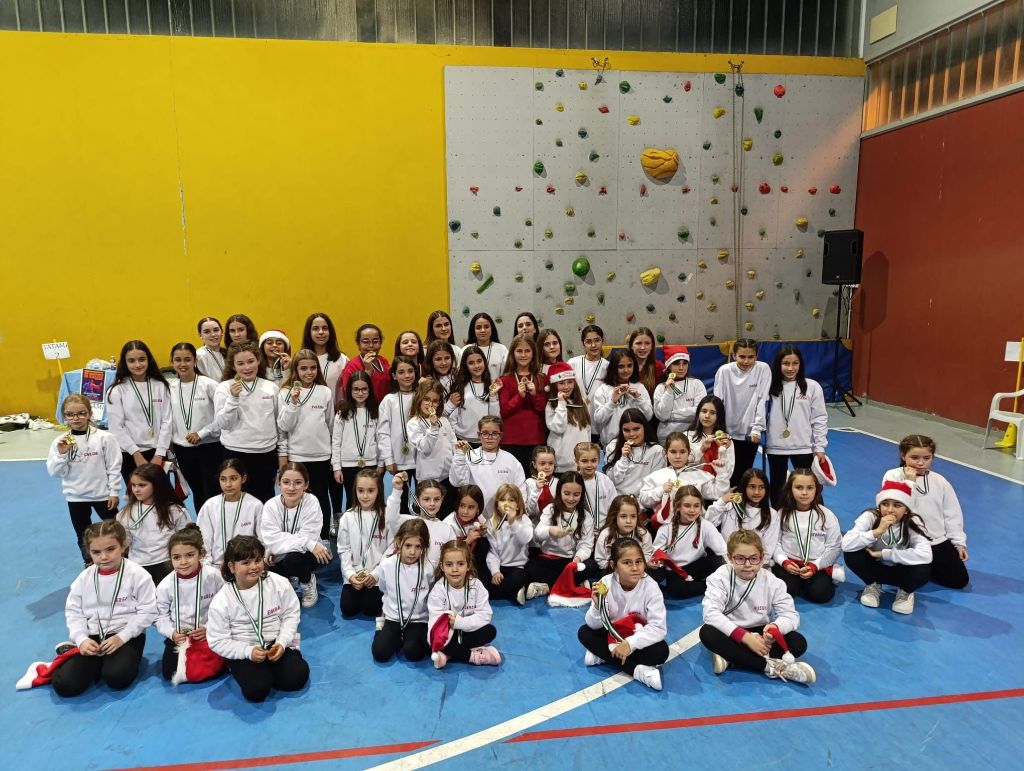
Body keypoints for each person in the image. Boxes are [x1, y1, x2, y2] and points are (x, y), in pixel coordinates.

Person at [50, 520, 157, 697]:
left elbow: (148, 611)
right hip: (92, 636)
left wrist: (122, 637)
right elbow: (74, 612)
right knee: (65, 685)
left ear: (123, 546)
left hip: (126, 635)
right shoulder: (83, 579)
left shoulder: (138, 575)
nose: (104, 557)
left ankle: (103, 663)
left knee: (118, 678)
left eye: (110, 549)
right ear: (88, 552)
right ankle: (75, 651)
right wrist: (81, 639)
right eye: (96, 552)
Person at [699, 529, 816, 684]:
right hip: (731, 632)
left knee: (798, 643)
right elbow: (710, 613)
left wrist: (775, 628)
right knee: (707, 633)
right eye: (740, 558)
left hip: (761, 633)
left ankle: (731, 659)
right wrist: (746, 637)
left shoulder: (773, 582)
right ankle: (772, 668)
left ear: (762, 559)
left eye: (754, 559)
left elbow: (791, 616)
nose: (747, 565)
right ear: (729, 558)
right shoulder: (719, 577)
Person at [206, 535, 309, 702]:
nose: (254, 567)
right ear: (231, 567)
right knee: (257, 691)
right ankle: (239, 667)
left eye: (257, 560)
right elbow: (217, 641)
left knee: (297, 678)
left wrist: (282, 643)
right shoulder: (221, 601)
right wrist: (247, 652)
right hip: (244, 649)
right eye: (246, 563)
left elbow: (290, 615)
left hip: (275, 644)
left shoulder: (279, 583)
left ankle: (275, 667)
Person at [578, 537, 669, 691]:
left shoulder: (651, 588)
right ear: (614, 565)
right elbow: (593, 625)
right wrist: (597, 606)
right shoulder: (605, 583)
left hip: (637, 634)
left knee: (661, 652)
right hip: (613, 633)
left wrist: (630, 644)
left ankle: (603, 655)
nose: (635, 568)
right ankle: (637, 671)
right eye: (627, 563)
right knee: (584, 633)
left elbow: (658, 628)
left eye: (639, 561)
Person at [882, 434, 969, 589]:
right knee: (910, 575)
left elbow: (952, 513)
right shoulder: (893, 476)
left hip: (935, 540)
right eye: (914, 457)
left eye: (927, 458)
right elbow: (896, 507)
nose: (921, 463)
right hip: (906, 540)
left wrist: (958, 543)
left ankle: (928, 564)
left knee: (959, 580)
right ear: (903, 456)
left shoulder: (940, 481)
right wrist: (909, 482)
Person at [48, 393, 121, 563]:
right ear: (64, 416)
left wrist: (114, 491)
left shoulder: (104, 438)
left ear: (89, 413)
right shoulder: (62, 441)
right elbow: (55, 472)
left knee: (117, 531)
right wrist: (62, 455)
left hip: (103, 495)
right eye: (70, 414)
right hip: (75, 497)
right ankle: (89, 565)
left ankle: (124, 560)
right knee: (82, 536)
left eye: (81, 413)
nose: (76, 418)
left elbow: (114, 466)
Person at [842, 481, 932, 614]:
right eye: (885, 504)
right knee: (851, 553)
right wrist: (877, 531)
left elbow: (926, 554)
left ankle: (905, 592)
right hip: (876, 568)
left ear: (906, 510)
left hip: (901, 570)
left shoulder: (913, 522)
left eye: (897, 505)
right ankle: (872, 585)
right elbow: (846, 543)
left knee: (924, 569)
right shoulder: (871, 516)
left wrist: (885, 554)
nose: (890, 510)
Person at [154, 524, 225, 681]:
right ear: (170, 558)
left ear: (200, 553)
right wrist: (172, 633)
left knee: (219, 668)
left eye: (190, 555)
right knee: (169, 673)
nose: (183, 562)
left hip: (210, 631)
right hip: (180, 635)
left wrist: (209, 628)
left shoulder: (214, 577)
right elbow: (160, 616)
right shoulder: (165, 585)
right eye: (177, 557)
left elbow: (225, 609)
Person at [277, 349, 334, 539]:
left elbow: (330, 424)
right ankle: (297, 537)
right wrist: (293, 402)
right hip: (297, 456)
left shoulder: (325, 392)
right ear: (295, 369)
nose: (309, 372)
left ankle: (323, 538)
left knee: (321, 498)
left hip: (321, 455)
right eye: (303, 368)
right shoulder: (285, 392)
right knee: (297, 498)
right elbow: (284, 426)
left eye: (313, 368)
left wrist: (334, 455)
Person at [214, 340, 280, 503]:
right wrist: (233, 398)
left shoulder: (271, 387)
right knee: (237, 500)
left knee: (265, 498)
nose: (247, 367)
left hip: (266, 453)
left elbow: (279, 422)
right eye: (241, 363)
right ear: (233, 366)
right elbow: (223, 424)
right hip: (235, 452)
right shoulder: (224, 388)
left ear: (258, 360)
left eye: (251, 361)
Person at [259, 462, 329, 608]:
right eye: (286, 482)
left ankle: (307, 581)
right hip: (280, 555)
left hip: (309, 554)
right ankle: (290, 578)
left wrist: (278, 546)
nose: (291, 488)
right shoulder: (270, 506)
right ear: (279, 483)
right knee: (267, 568)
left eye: (298, 482)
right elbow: (272, 539)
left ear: (306, 484)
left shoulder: (312, 502)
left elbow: (310, 536)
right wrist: (272, 547)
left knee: (293, 559)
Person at [765, 346, 828, 506]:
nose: (790, 368)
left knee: (808, 486)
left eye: (795, 363)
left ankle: (817, 515)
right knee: (777, 488)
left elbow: (819, 418)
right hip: (776, 447)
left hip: (803, 447)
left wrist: (820, 446)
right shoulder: (769, 387)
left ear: (801, 364)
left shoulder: (812, 386)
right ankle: (778, 516)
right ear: (778, 364)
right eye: (786, 363)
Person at [106, 339, 173, 488]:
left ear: (149, 360)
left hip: (158, 451)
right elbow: (116, 427)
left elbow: (167, 421)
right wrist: (136, 454)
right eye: (131, 361)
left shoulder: (160, 385)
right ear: (125, 363)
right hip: (130, 454)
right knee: (137, 496)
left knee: (161, 495)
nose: (137, 365)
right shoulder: (117, 390)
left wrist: (159, 453)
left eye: (142, 359)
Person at [771, 469, 842, 604]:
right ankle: (796, 584)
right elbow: (775, 543)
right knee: (786, 591)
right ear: (790, 489)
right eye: (799, 487)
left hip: (815, 565)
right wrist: (784, 562)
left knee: (821, 594)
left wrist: (815, 566)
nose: (804, 493)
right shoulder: (782, 514)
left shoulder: (827, 516)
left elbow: (834, 547)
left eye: (810, 488)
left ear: (816, 490)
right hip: (789, 564)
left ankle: (808, 583)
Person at [428, 540, 501, 669]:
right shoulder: (438, 590)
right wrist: (448, 626)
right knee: (431, 637)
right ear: (442, 566)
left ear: (468, 565)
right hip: (448, 636)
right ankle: (472, 656)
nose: (455, 569)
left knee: (490, 631)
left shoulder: (477, 586)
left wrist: (459, 623)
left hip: (468, 632)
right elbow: (435, 624)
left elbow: (485, 616)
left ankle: (449, 654)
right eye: (449, 564)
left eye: (460, 564)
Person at [368, 519, 433, 663]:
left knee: (414, 654)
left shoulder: (428, 569)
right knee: (380, 653)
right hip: (393, 617)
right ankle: (380, 626)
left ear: (424, 547)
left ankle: (405, 638)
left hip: (418, 619)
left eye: (418, 547)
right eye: (408, 545)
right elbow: (384, 589)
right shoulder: (387, 565)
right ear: (398, 542)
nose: (412, 552)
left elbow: (431, 594)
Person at [168, 343, 223, 513]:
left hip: (210, 447)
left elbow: (223, 417)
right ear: (171, 362)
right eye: (178, 360)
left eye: (187, 359)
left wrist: (202, 433)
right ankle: (202, 525)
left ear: (195, 361)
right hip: (183, 450)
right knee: (197, 491)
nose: (182, 364)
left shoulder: (209, 385)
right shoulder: (169, 388)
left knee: (213, 491)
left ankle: (218, 524)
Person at [117, 462, 190, 585]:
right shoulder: (125, 513)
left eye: (142, 485)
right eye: (133, 485)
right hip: (138, 564)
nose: (136, 489)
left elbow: (186, 537)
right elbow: (124, 541)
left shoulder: (175, 510)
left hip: (168, 562)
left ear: (157, 485)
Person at [525, 472, 594, 600]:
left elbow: (586, 544)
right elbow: (537, 534)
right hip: (548, 559)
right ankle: (572, 584)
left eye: (576, 494)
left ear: (582, 494)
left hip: (570, 561)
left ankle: (547, 586)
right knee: (530, 568)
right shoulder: (550, 509)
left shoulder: (586, 516)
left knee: (590, 566)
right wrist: (550, 530)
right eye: (566, 493)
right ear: (559, 491)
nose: (571, 498)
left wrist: (577, 559)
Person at [650, 485, 726, 598]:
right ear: (678, 507)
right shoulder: (665, 528)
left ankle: (710, 584)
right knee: (676, 589)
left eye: (696, 506)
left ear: (701, 507)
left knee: (719, 562)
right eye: (687, 506)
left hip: (696, 567)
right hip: (675, 570)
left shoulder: (706, 525)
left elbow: (723, 550)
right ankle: (710, 586)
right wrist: (656, 562)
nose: (692, 510)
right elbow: (657, 553)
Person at [713, 338, 771, 488]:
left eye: (751, 357)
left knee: (745, 473)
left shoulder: (763, 369)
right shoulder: (724, 371)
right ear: (734, 355)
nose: (746, 361)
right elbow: (718, 402)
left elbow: (762, 399)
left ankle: (742, 500)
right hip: (728, 433)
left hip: (750, 434)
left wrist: (757, 429)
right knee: (727, 473)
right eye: (742, 357)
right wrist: (719, 429)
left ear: (757, 356)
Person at [638, 433, 730, 526]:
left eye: (682, 452)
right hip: (665, 528)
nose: (678, 456)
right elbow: (643, 500)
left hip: (695, 526)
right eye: (673, 452)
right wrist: (661, 490)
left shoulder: (699, 475)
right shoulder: (656, 476)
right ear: (665, 452)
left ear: (689, 452)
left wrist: (722, 473)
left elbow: (717, 493)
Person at [337, 468, 390, 620]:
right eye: (361, 491)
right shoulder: (348, 517)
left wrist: (376, 574)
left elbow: (391, 550)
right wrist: (350, 575)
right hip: (355, 574)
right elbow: (344, 550)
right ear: (355, 491)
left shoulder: (387, 516)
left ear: (379, 491)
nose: (365, 496)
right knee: (348, 609)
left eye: (370, 491)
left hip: (377, 575)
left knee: (371, 609)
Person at [448, 415, 527, 516]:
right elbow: (457, 482)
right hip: (474, 515)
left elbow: (520, 491)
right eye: (485, 433)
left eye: (494, 433)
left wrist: (516, 513)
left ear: (501, 435)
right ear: (479, 435)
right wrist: (459, 454)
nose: (490, 437)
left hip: (504, 516)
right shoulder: (468, 456)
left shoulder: (511, 461)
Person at [331, 370, 379, 524]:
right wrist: (336, 467)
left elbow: (381, 439)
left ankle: (371, 527)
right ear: (349, 391)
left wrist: (381, 464)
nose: (360, 393)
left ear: (369, 390)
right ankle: (349, 528)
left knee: (371, 499)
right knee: (352, 500)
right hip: (348, 465)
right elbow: (336, 442)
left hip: (371, 463)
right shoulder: (342, 413)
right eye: (356, 389)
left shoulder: (375, 411)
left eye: (364, 389)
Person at [497, 333, 548, 474]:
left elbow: (544, 410)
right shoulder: (504, 380)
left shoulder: (541, 379)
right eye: (519, 351)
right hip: (511, 441)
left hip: (536, 439)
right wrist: (519, 397)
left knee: (536, 480)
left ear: (533, 353)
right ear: (512, 354)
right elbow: (504, 411)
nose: (523, 355)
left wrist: (534, 395)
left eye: (527, 351)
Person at [705, 468, 781, 563]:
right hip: (727, 561)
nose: (757, 492)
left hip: (756, 565)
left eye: (761, 487)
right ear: (744, 487)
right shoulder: (730, 506)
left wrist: (754, 565)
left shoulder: (772, 514)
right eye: (752, 487)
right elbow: (708, 524)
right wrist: (721, 502)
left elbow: (768, 548)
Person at [196, 458, 262, 568]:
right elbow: (203, 541)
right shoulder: (210, 505)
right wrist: (207, 567)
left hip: (246, 565)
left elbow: (262, 540)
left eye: (233, 478)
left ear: (243, 478)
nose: (228, 484)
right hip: (216, 566)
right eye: (223, 479)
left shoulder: (255, 505)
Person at [387, 476, 456, 573]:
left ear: (442, 499)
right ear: (417, 500)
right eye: (426, 499)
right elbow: (391, 517)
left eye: (436, 499)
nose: (432, 503)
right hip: (406, 576)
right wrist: (396, 491)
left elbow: (452, 556)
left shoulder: (447, 529)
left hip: (434, 579)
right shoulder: (407, 522)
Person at [407, 380, 457, 512]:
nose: (430, 404)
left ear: (439, 402)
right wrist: (433, 427)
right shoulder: (414, 423)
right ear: (419, 399)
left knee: (447, 514)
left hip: (448, 478)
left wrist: (460, 448)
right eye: (426, 399)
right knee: (429, 515)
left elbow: (453, 444)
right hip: (427, 481)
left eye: (435, 401)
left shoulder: (444, 421)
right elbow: (425, 447)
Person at [378, 355, 419, 512]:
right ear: (394, 376)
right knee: (401, 500)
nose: (407, 375)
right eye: (401, 372)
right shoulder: (389, 400)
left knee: (424, 498)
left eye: (410, 371)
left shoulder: (421, 396)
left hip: (421, 458)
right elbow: (383, 433)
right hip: (399, 459)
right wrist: (388, 459)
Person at [481, 484, 532, 605]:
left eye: (511, 500)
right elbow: (492, 552)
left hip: (518, 568)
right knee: (482, 580)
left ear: (518, 504)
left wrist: (512, 521)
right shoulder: (491, 523)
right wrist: (495, 571)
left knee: (519, 578)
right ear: (497, 504)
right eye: (503, 500)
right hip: (500, 567)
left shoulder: (524, 520)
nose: (506, 504)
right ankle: (514, 593)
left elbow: (525, 539)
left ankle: (508, 591)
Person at [593, 349, 653, 447]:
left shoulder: (639, 387)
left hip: (636, 443)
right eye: (621, 366)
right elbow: (599, 420)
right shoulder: (603, 389)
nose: (626, 370)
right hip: (611, 445)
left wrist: (638, 399)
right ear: (613, 367)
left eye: (629, 366)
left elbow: (648, 416)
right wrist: (612, 402)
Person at [604, 409, 665, 497]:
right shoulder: (613, 446)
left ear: (644, 428)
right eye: (626, 430)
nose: (631, 434)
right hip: (617, 499)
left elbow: (655, 483)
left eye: (636, 429)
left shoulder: (656, 451)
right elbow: (611, 481)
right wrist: (623, 459)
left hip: (644, 500)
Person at [590, 494, 653, 576]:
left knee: (659, 573)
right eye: (623, 516)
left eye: (633, 516)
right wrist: (620, 569)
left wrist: (645, 564)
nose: (628, 521)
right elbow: (600, 560)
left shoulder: (643, 534)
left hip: (636, 570)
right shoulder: (605, 534)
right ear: (614, 516)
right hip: (612, 571)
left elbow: (646, 555)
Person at [545, 362, 591, 473]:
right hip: (561, 465)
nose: (566, 387)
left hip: (580, 463)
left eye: (570, 382)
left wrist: (588, 453)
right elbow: (558, 428)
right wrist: (561, 403)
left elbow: (587, 430)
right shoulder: (551, 405)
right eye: (561, 383)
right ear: (554, 385)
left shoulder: (581, 403)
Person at [653, 346, 706, 441]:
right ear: (669, 366)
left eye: (684, 363)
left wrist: (671, 415)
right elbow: (662, 416)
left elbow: (700, 412)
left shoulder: (697, 384)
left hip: (692, 434)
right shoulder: (661, 388)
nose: (681, 368)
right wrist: (669, 392)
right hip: (667, 436)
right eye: (676, 363)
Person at [447, 345, 498, 444]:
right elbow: (452, 417)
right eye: (471, 363)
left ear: (484, 362)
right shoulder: (459, 386)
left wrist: (493, 395)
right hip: (462, 440)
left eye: (479, 361)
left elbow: (495, 416)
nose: (476, 366)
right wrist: (454, 437)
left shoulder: (492, 385)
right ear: (465, 365)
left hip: (485, 440)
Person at [685, 395, 735, 488]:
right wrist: (701, 450)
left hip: (717, 488)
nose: (707, 416)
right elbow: (684, 468)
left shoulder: (726, 440)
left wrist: (723, 450)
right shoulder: (686, 436)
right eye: (704, 411)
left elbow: (728, 473)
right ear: (698, 413)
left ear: (719, 416)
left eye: (712, 413)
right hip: (691, 487)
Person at [568, 325, 608, 441]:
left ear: (602, 341)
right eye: (588, 341)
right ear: (583, 343)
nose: (593, 345)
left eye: (597, 340)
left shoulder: (608, 366)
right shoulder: (573, 363)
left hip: (599, 423)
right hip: (577, 421)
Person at [341, 323, 391, 402]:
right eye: (366, 342)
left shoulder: (383, 361)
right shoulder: (352, 365)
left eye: (375, 341)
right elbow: (349, 394)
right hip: (364, 408)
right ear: (358, 344)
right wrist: (367, 371)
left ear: (380, 343)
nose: (371, 345)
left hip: (384, 407)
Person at [575, 442, 617, 532]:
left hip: (605, 528)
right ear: (576, 462)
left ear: (599, 460)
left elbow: (614, 506)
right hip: (581, 529)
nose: (589, 465)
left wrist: (608, 527)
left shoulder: (606, 481)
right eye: (584, 461)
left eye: (593, 461)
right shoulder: (573, 481)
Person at [466, 312, 507, 381]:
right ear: (473, 330)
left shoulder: (502, 349)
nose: (483, 330)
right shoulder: (466, 349)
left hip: (496, 387)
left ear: (492, 329)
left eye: (486, 327)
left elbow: (506, 376)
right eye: (478, 327)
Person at [524, 445, 557, 524]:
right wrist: (537, 489)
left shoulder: (558, 482)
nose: (547, 467)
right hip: (533, 525)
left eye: (550, 463)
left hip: (554, 525)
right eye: (542, 463)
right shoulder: (529, 483)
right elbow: (529, 511)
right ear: (534, 464)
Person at [628, 327, 663, 398]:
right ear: (631, 346)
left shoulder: (659, 367)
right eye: (638, 343)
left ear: (652, 346)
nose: (643, 347)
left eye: (647, 343)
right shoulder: (622, 366)